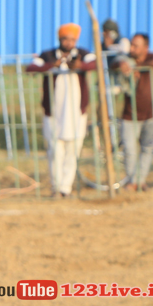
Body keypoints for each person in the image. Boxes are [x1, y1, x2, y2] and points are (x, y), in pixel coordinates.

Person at [25, 23, 96, 198]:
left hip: (77, 112)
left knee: (73, 150)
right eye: (65, 39)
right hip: (54, 112)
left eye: (72, 39)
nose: (69, 42)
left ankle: (66, 187)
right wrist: (52, 65)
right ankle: (56, 187)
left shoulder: (83, 54)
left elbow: (95, 64)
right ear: (60, 39)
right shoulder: (48, 55)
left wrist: (78, 66)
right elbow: (31, 68)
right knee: (55, 151)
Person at [116, 33, 153, 191]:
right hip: (130, 115)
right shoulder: (125, 59)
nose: (132, 48)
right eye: (131, 45)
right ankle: (132, 182)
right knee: (129, 150)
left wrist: (138, 68)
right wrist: (123, 64)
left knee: (147, 149)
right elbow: (114, 63)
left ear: (145, 47)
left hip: (152, 114)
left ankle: (140, 180)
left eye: (136, 46)